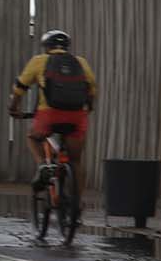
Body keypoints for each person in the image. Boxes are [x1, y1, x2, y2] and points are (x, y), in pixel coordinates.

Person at [8, 29, 98, 202]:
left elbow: (20, 87)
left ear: (46, 47)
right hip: (77, 117)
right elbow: (92, 89)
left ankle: (43, 164)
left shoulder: (39, 61)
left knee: (33, 137)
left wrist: (13, 107)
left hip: (49, 115)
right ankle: (77, 206)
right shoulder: (81, 62)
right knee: (76, 161)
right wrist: (89, 108)